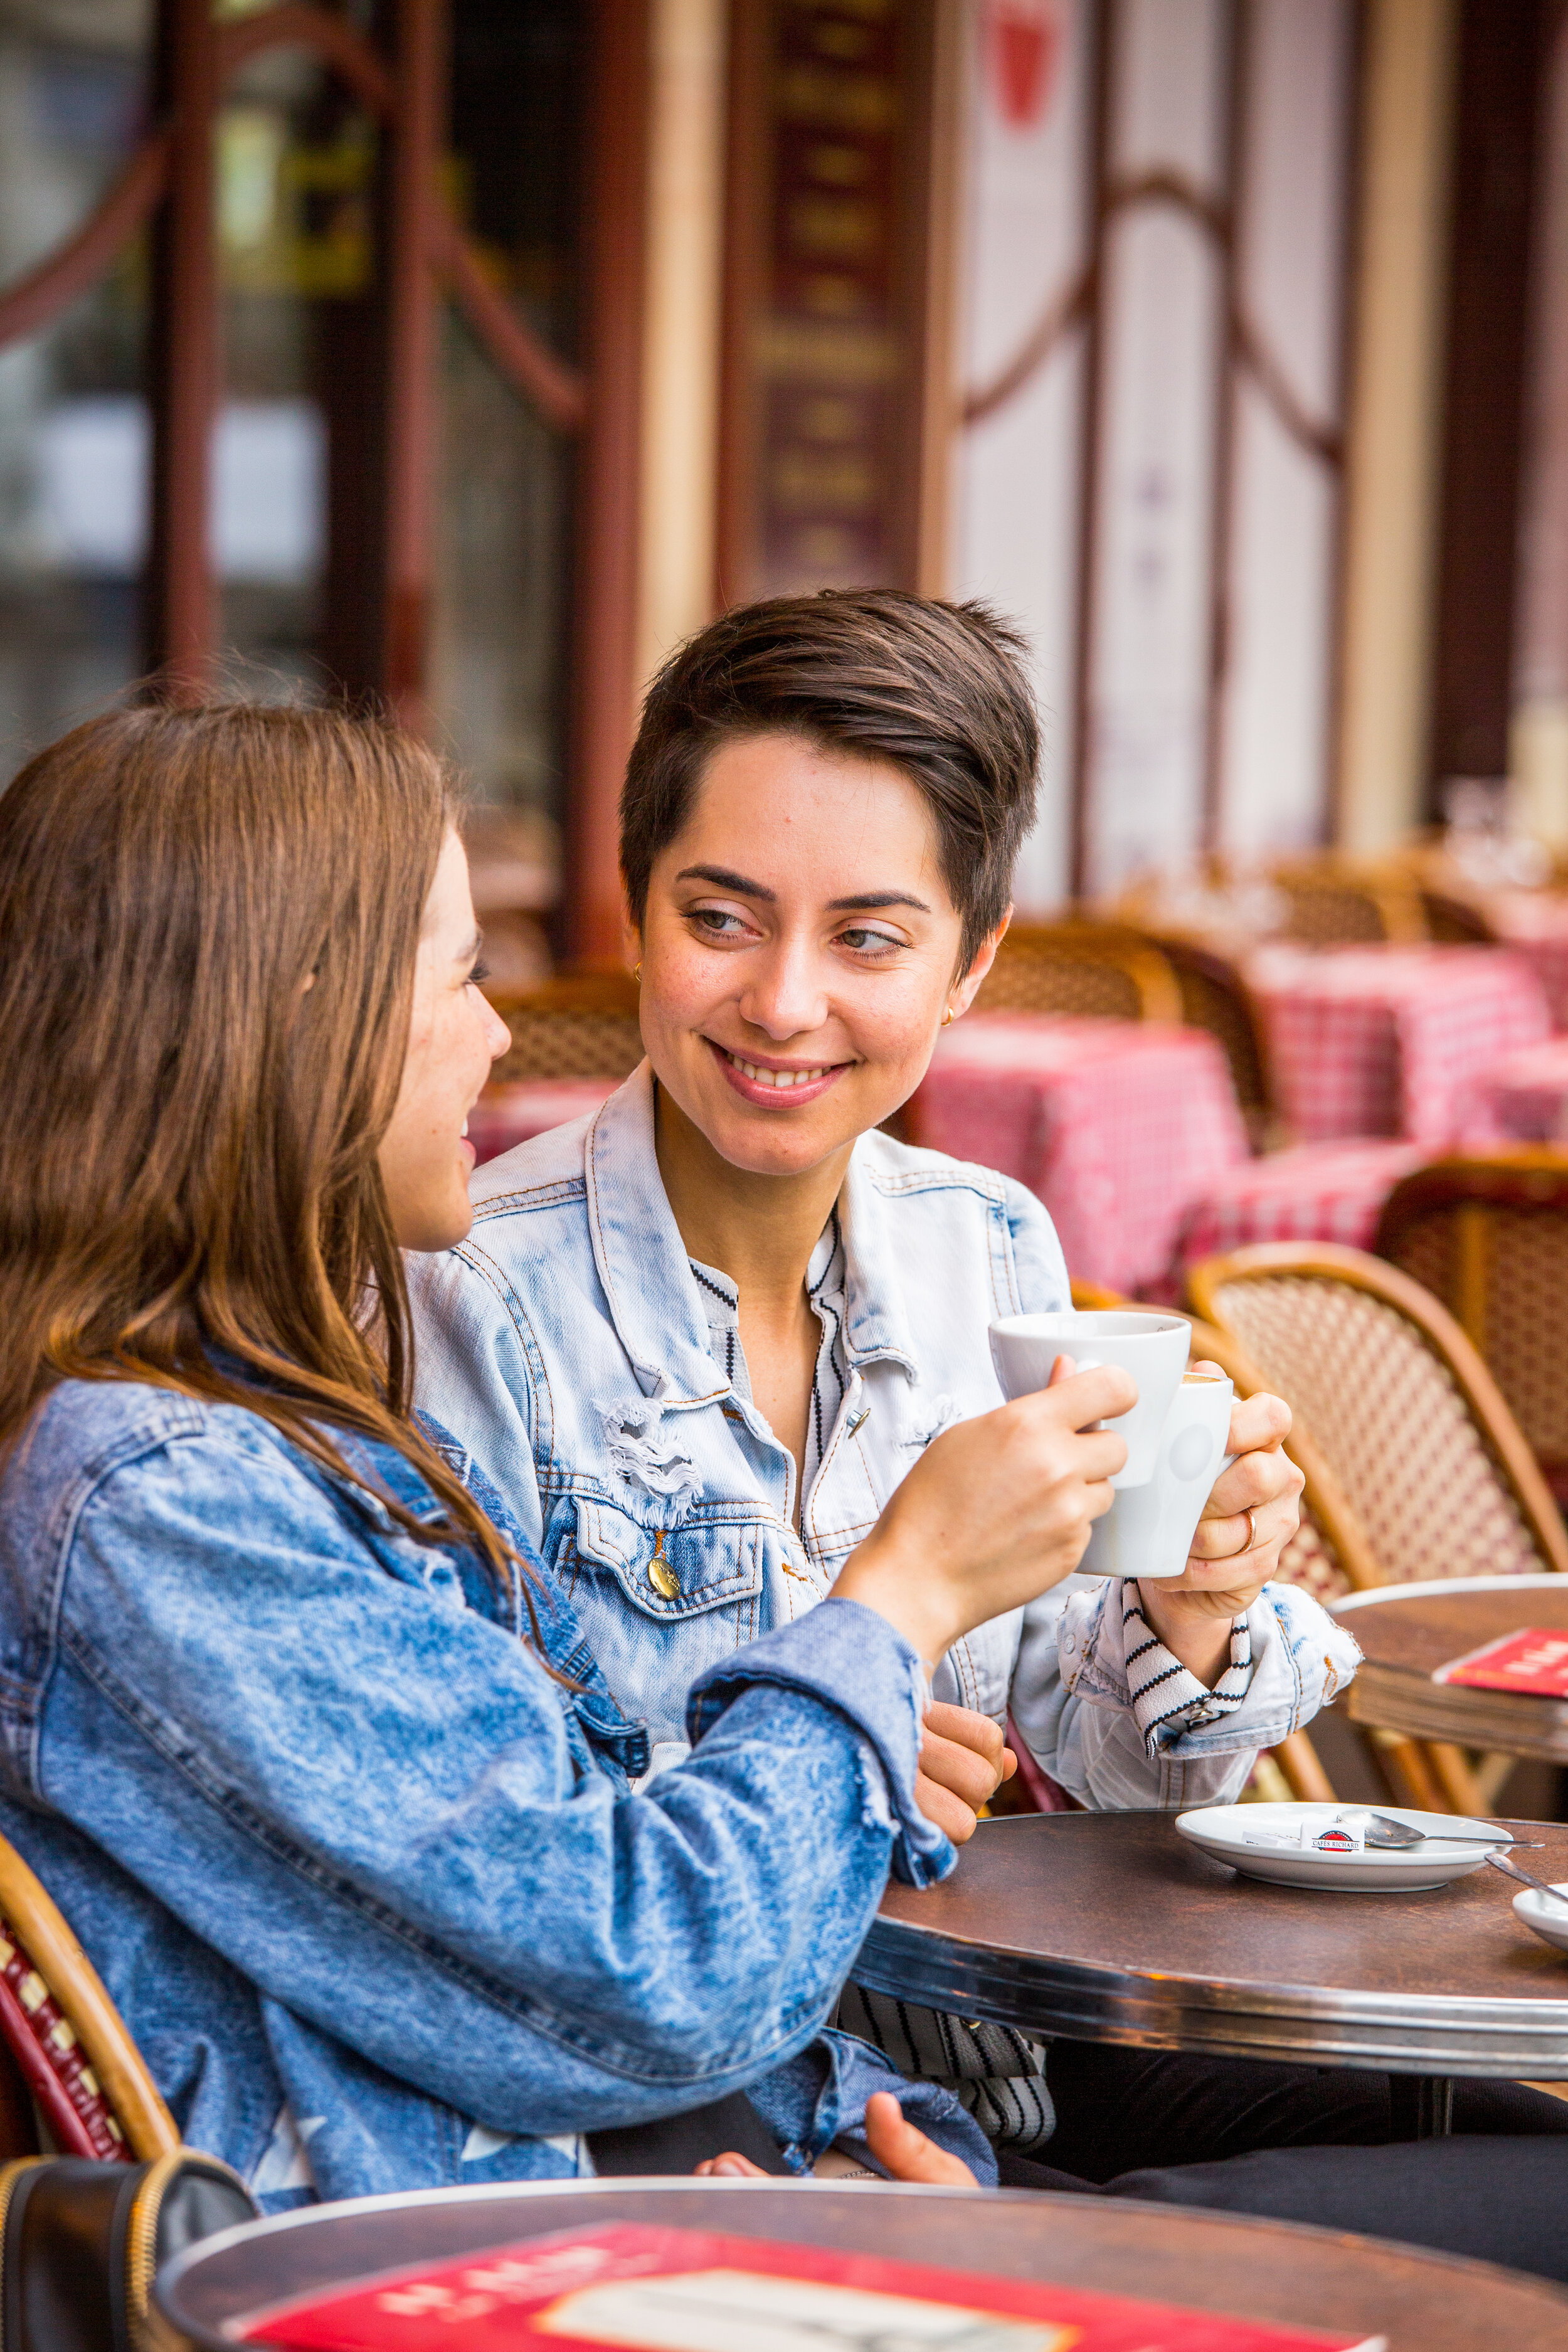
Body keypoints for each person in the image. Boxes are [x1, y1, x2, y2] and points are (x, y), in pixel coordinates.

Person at [408, 592, 1568, 2261]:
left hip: (1011, 2049)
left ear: (974, 957)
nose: (783, 999)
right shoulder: (473, 1299)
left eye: (867, 936)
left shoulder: (987, 1245)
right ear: (636, 901)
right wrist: (829, 1724)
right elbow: (480, 1858)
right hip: (731, 2119)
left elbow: (1087, 1768)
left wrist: (1180, 1614)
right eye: (719, 915)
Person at [0, 699, 1152, 2207]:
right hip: (534, 2248)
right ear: (287, 1020)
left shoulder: (255, 1420)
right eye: (465, 974)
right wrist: (894, 1605)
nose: (498, 1030)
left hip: (734, 2155)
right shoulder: (164, 1490)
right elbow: (650, 1972)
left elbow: (559, 1881)